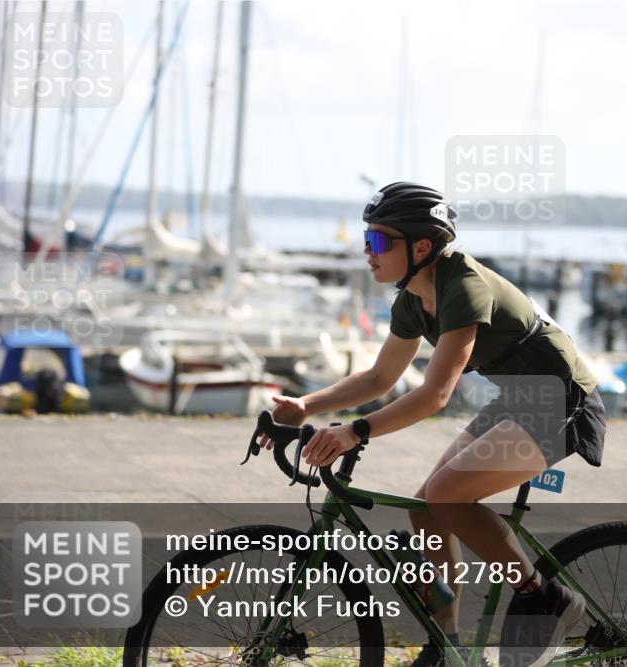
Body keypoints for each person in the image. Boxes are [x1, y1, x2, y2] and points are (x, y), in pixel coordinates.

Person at [259, 182, 607, 667]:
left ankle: (543, 595)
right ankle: (448, 646)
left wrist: (354, 431)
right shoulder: (412, 298)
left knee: (446, 493)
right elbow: (381, 376)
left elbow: (436, 394)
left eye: (379, 241)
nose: (367, 250)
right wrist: (307, 404)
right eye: (366, 239)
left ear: (421, 247)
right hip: (520, 398)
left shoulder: (463, 285)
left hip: (563, 399)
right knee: (426, 507)